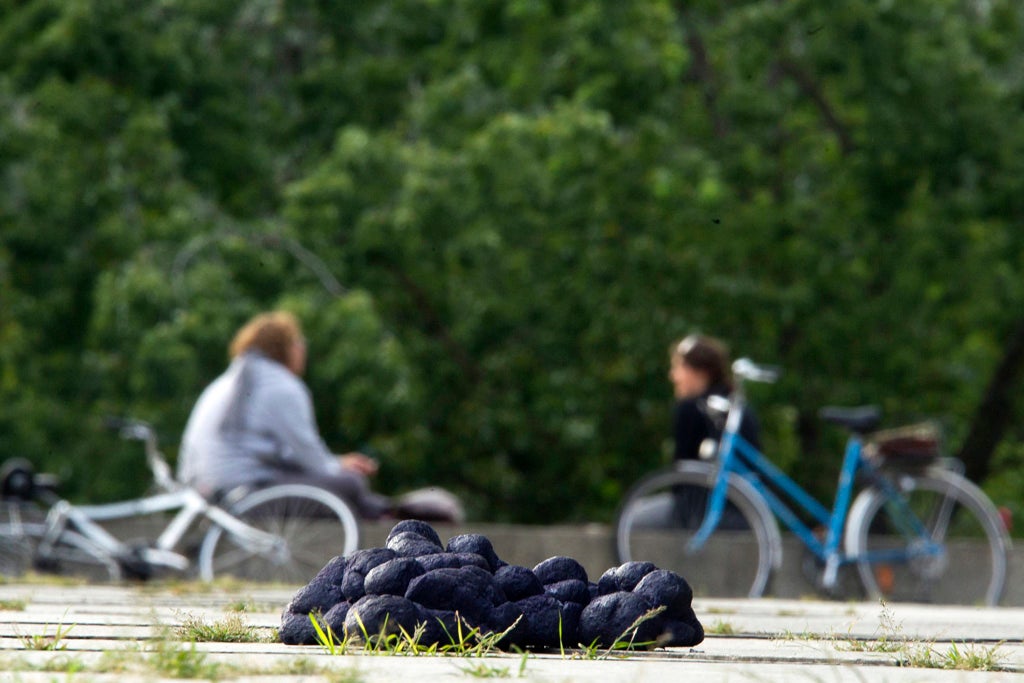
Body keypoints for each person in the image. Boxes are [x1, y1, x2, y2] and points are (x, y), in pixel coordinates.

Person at [177, 311, 393, 519]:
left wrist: (337, 462)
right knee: (351, 484)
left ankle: (385, 510)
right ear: (284, 347)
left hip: (203, 493)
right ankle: (390, 513)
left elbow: (283, 455)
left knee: (347, 487)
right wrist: (339, 466)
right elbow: (308, 456)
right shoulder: (280, 384)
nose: (303, 349)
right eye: (299, 342)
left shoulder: (225, 382)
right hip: (242, 495)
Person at [669, 334, 761, 460]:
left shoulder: (691, 409)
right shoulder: (740, 409)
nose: (673, 376)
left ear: (700, 372)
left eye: (678, 367)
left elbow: (684, 465)